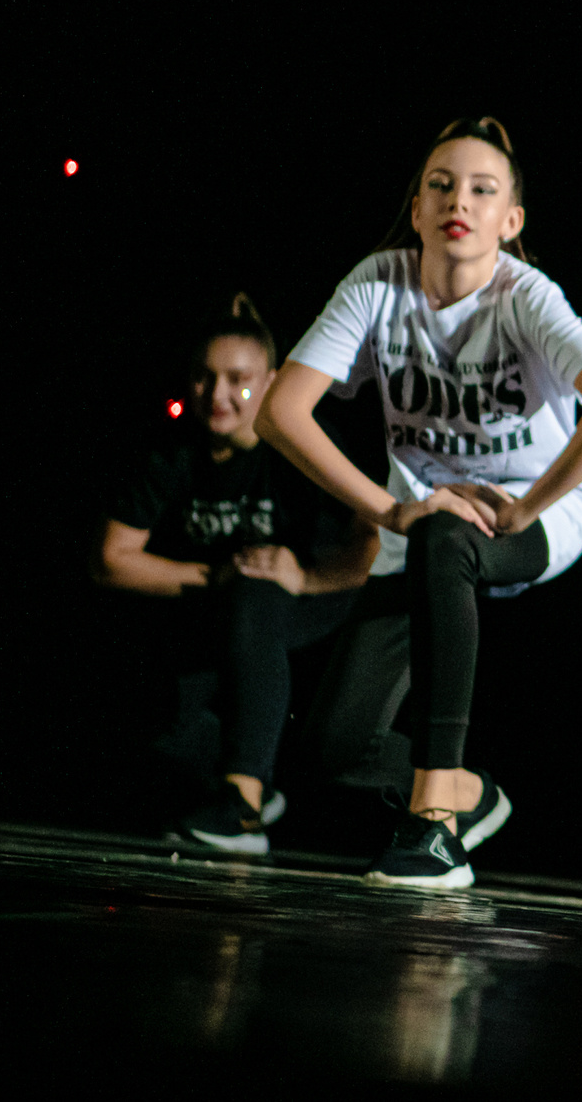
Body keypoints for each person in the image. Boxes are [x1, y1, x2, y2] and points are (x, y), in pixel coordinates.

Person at [259, 116, 582, 890]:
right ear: (416, 208)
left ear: (511, 221)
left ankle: (434, 824)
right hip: (421, 519)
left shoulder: (526, 294)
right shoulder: (378, 283)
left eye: (480, 188)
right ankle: (471, 793)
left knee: (447, 534)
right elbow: (279, 411)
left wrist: (527, 505)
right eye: (439, 184)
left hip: (537, 515)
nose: (456, 200)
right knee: (333, 748)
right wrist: (385, 507)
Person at [91, 295, 367, 853]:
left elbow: (371, 544)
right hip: (223, 599)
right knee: (158, 728)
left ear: (269, 383)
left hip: (319, 597)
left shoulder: (303, 445)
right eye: (204, 378)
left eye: (238, 381)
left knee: (254, 590)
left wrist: (305, 577)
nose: (217, 396)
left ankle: (243, 802)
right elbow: (112, 558)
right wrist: (210, 575)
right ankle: (250, 797)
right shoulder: (173, 453)